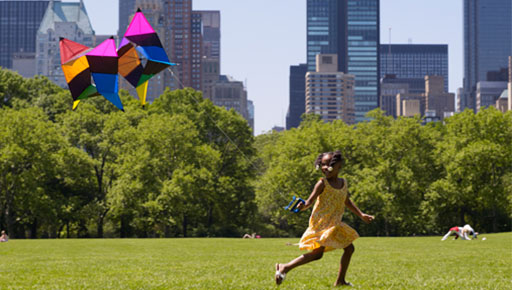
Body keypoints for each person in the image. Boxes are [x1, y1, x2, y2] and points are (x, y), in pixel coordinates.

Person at [275, 151, 374, 287]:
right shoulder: (322, 183)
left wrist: (361, 214)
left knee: (348, 249)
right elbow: (309, 201)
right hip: (321, 223)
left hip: (335, 223)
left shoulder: (343, 183)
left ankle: (340, 281)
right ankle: (284, 267)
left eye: (329, 164)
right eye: (322, 164)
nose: (325, 167)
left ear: (339, 166)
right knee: (318, 254)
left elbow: (346, 200)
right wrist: (303, 206)